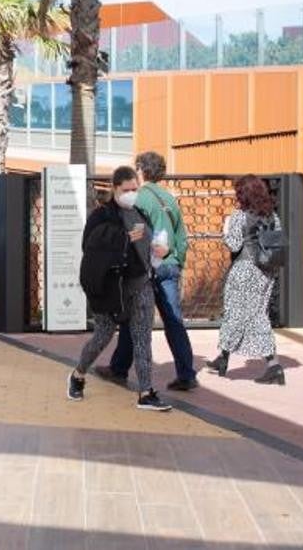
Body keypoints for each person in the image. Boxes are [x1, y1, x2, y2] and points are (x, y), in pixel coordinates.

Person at [67, 166, 172, 412]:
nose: (132, 194)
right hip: (111, 288)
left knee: (142, 339)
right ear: (115, 188)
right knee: (103, 335)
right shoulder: (102, 215)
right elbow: (91, 248)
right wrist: (124, 239)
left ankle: (146, 393)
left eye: (135, 189)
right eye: (127, 190)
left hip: (141, 285)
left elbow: (148, 247)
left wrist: (160, 251)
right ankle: (78, 374)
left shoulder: (141, 213)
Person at [98, 151, 198, 391]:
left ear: (141, 170)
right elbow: (181, 237)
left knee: (135, 317)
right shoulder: (170, 198)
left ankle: (119, 369)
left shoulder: (138, 198)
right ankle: (186, 373)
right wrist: (175, 261)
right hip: (170, 266)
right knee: (174, 321)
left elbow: (134, 234)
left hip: (147, 267)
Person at [207, 175, 286, 385]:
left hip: (244, 270)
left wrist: (225, 228)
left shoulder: (240, 216)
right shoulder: (273, 217)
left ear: (244, 194)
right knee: (251, 313)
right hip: (266, 272)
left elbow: (233, 245)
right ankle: (222, 357)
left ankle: (274, 365)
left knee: (245, 315)